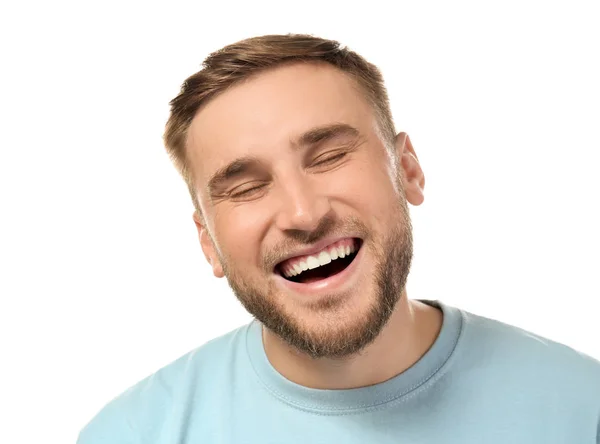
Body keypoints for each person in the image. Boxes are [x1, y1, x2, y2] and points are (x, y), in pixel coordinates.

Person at [77, 34, 600, 443]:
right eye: (247, 188)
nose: (302, 213)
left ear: (408, 170)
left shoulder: (583, 408)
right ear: (207, 241)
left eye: (328, 157)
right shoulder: (133, 435)